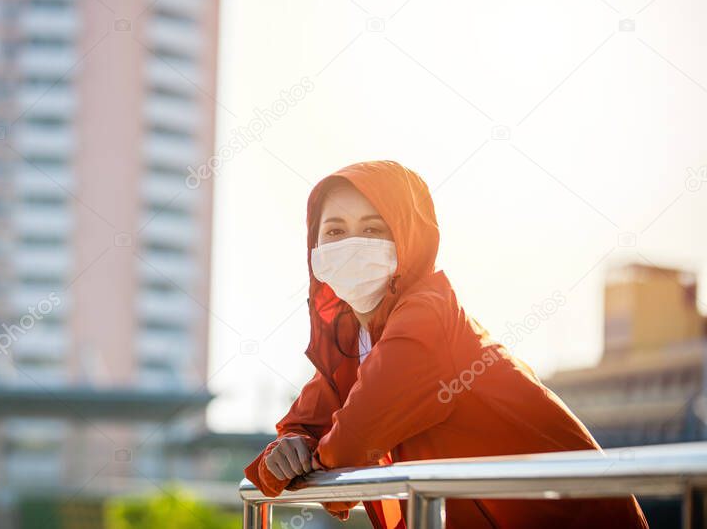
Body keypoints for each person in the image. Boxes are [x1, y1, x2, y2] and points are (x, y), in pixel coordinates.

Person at [243, 160, 648, 529]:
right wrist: (286, 451)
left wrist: (308, 463)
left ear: (408, 237)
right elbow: (303, 426)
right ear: (314, 248)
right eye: (334, 231)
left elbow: (353, 440)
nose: (351, 244)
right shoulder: (350, 339)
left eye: (373, 229)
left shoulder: (427, 315)